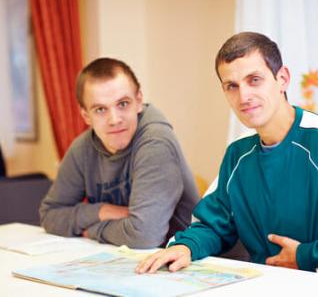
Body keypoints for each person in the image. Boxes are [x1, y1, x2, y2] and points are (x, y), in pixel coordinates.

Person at [136, 32, 318, 281]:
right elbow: (213, 224)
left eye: (254, 80)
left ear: (282, 78)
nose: (244, 96)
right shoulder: (238, 154)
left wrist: (305, 256)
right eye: (231, 86)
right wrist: (186, 247)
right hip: (273, 286)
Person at [39, 58, 199, 248]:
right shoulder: (82, 148)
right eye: (100, 109)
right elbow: (50, 215)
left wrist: (92, 230)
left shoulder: (156, 142)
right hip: (127, 261)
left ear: (139, 101)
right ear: (85, 116)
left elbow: (145, 236)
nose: (114, 120)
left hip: (188, 263)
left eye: (122, 104)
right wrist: (103, 211)